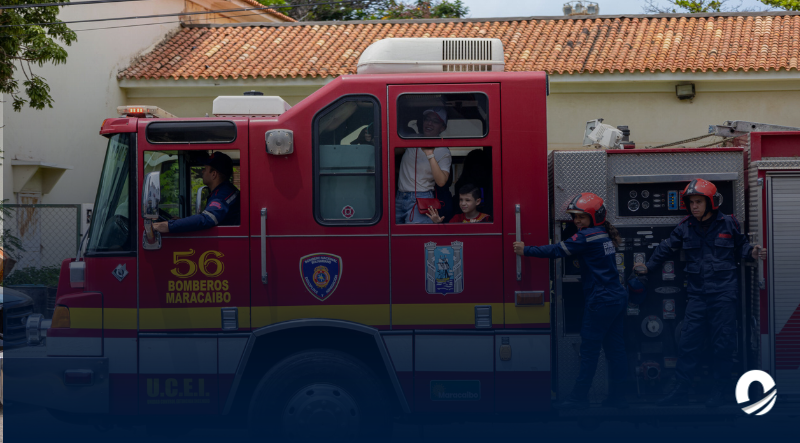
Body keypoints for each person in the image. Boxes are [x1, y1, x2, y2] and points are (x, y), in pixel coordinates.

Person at [643, 179, 766, 408]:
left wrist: (753, 251)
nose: (694, 207)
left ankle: (720, 392)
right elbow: (666, 247)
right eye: (691, 203)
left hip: (724, 295)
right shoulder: (685, 226)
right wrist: (647, 267)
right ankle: (682, 390)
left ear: (711, 203)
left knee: (723, 344)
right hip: (698, 296)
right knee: (688, 343)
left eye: (698, 202)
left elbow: (741, 246)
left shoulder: (729, 224)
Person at [513, 193, 628, 410]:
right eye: (574, 217)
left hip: (601, 300)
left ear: (594, 217)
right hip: (616, 297)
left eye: (581, 217)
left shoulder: (586, 236)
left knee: (589, 351)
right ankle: (619, 399)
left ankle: (578, 398)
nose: (576, 221)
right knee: (616, 351)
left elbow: (558, 250)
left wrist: (525, 250)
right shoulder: (602, 234)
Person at [153, 152, 240, 233]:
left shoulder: (223, 194)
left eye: (205, 169)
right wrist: (182, 222)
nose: (202, 171)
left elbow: (207, 219)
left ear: (214, 174)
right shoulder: (223, 191)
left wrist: (169, 226)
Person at [395, 107, 452, 224]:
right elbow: (389, 152)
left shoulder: (443, 151)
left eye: (435, 121)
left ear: (443, 128)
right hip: (399, 197)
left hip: (421, 198)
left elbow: (441, 181)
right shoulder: (410, 139)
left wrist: (430, 154)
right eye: (427, 119)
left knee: (415, 239)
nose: (429, 123)